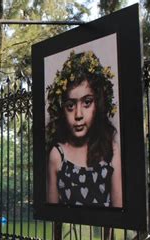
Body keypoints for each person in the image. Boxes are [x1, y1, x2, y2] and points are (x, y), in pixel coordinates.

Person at [46, 51, 122, 208]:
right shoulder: (57, 155)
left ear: (98, 104)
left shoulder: (111, 150)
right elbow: (53, 219)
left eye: (87, 102)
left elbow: (119, 211)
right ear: (62, 110)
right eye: (70, 105)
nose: (78, 115)